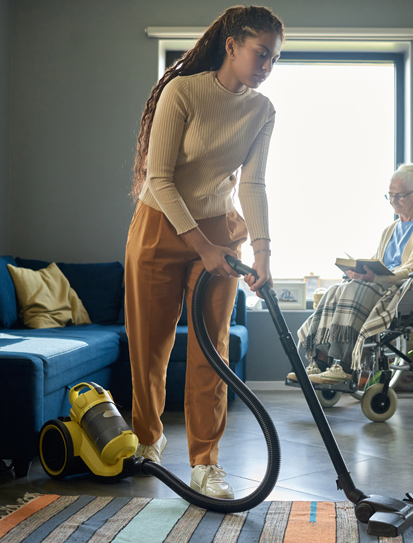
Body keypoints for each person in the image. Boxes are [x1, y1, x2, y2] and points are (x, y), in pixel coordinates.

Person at [125, 5, 283, 500]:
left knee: (211, 353)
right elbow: (160, 179)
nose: (266, 66)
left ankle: (205, 463)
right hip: (160, 226)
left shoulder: (262, 110)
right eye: (261, 54)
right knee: (150, 347)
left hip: (221, 230)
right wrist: (201, 246)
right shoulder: (183, 92)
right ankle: (148, 439)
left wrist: (263, 254)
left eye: (275, 59)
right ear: (232, 45)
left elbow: (253, 184)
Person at [291, 164, 413, 384]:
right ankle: (320, 362)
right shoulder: (389, 230)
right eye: (390, 196)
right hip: (379, 284)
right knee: (334, 291)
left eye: (400, 196)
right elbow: (378, 261)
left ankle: (343, 365)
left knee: (354, 292)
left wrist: (375, 278)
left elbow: (411, 269)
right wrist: (360, 272)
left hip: (404, 288)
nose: (393, 201)